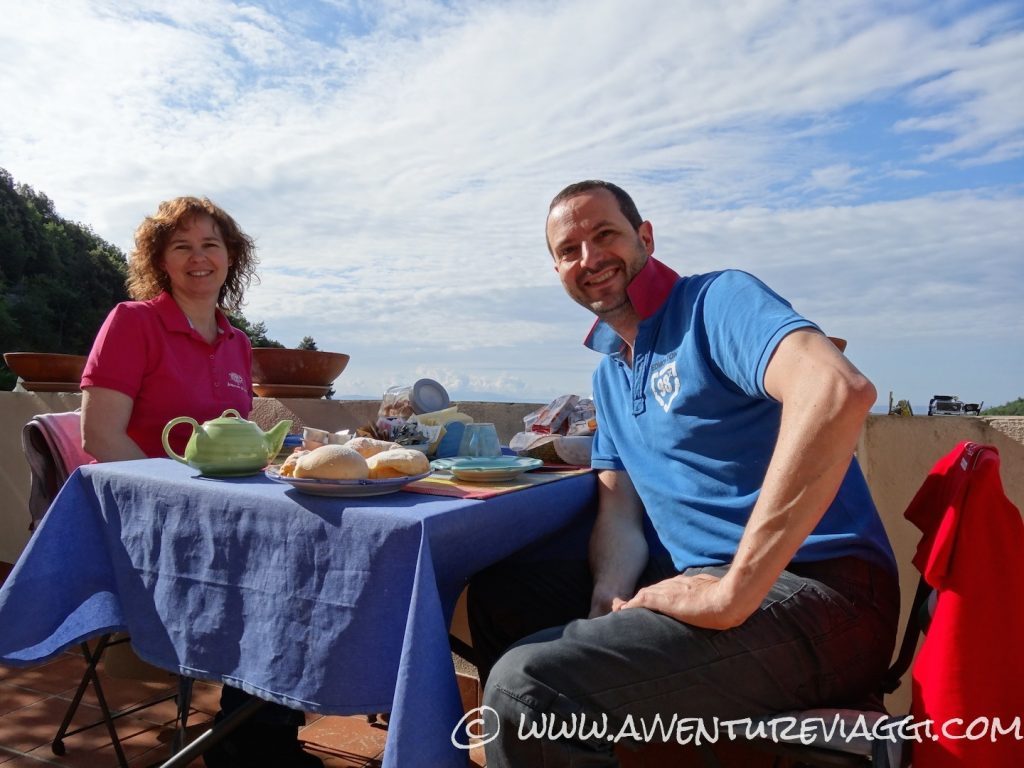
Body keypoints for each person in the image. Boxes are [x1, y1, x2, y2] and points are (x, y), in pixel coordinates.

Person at [468, 180, 900, 765]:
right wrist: (608, 598)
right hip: (711, 579)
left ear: (644, 237)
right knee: (504, 595)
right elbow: (618, 510)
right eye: (569, 250)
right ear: (557, 270)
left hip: (824, 596)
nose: (589, 259)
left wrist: (732, 592)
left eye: (604, 235)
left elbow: (837, 390)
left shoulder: (717, 302)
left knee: (529, 690)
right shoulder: (610, 377)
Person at [80, 196, 321, 768]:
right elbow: (100, 437)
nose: (198, 257)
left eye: (211, 244)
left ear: (231, 257)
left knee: (313, 547)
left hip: (218, 514)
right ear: (160, 261)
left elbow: (226, 445)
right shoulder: (133, 322)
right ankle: (256, 739)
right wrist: (183, 501)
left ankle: (253, 729)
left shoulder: (236, 342)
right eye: (181, 246)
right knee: (286, 567)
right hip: (143, 517)